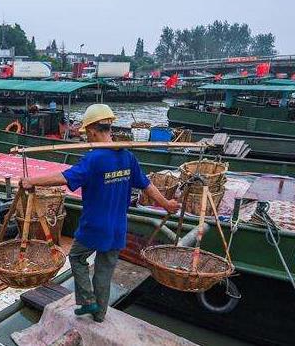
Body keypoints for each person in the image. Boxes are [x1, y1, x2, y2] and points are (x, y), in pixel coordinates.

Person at [20, 104, 179, 323]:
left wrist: (31, 181)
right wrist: (167, 204)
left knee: (76, 257)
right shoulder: (127, 157)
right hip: (118, 228)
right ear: (109, 127)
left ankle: (87, 301)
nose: (86, 136)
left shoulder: (94, 159)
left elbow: (66, 177)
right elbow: (147, 185)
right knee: (104, 272)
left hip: (94, 225)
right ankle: (99, 314)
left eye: (86, 132)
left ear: (94, 130)